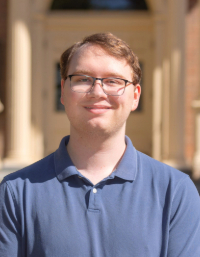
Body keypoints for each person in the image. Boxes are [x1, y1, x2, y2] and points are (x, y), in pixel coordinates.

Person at [0, 33, 200, 257]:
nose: (97, 92)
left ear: (135, 96)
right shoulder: (16, 192)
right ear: (63, 91)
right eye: (83, 79)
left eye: (113, 81)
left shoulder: (176, 191)